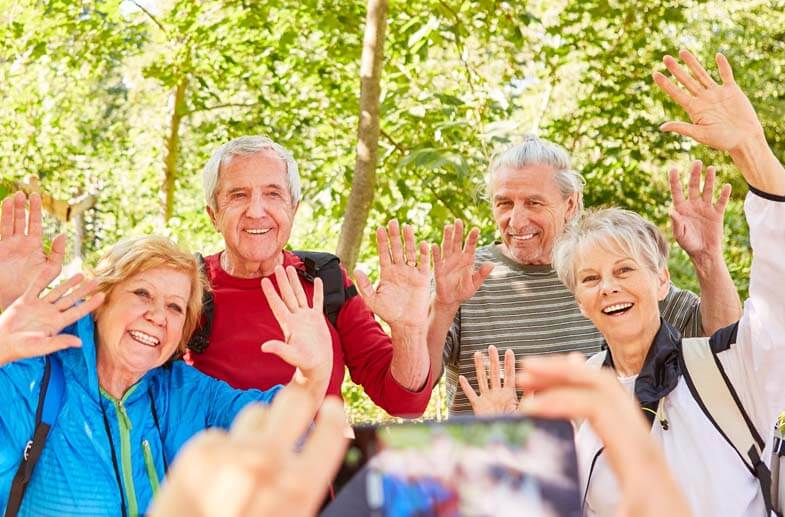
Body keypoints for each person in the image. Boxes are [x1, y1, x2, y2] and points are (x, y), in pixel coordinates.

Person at [461, 50, 785, 516]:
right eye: (590, 278)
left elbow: (776, 289)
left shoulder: (728, 366)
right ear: (578, 299)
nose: (608, 287)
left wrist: (751, 149)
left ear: (661, 281)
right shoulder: (569, 403)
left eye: (625, 270)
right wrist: (504, 446)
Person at [0, 201, 333, 515]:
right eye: (142, 293)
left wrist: (313, 374)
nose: (158, 316)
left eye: (175, 307)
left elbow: (277, 429)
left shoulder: (183, 392)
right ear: (99, 303)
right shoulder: (34, 377)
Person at [428, 136, 742, 415]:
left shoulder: (607, 273)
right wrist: (436, 308)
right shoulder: (462, 280)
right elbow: (418, 383)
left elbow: (724, 342)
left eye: (534, 203)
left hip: (602, 472)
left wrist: (708, 258)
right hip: (491, 472)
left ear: (570, 203)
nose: (516, 220)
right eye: (504, 204)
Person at [187, 136, 432, 417]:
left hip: (317, 459)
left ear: (294, 208)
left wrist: (409, 330)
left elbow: (404, 403)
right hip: (219, 459)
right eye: (238, 195)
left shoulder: (325, 282)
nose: (256, 211)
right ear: (213, 215)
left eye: (273, 194)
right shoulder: (188, 288)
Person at [149, 385, 349, 517]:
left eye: (178, 315)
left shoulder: (188, 386)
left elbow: (273, 414)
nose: (158, 319)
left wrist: (309, 379)